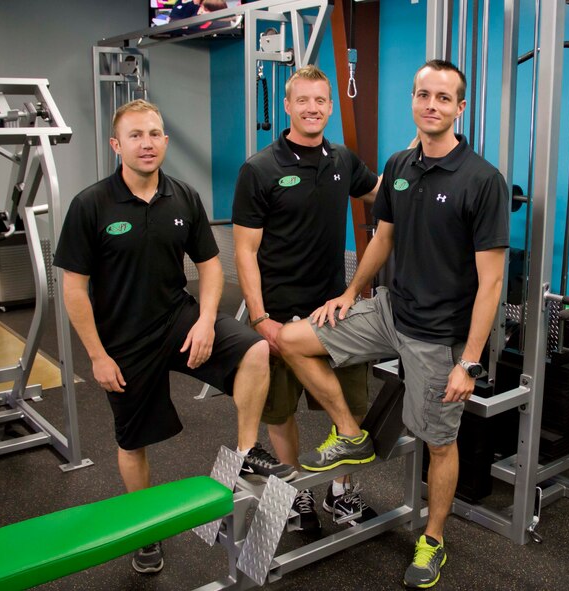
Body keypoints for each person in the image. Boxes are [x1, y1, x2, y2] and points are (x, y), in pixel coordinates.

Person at [277, 60, 509, 589]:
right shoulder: (400, 164)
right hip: (388, 308)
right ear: (413, 101)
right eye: (423, 95)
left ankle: (433, 540)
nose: (432, 105)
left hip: (437, 335)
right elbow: (382, 238)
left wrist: (469, 361)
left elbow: (491, 283)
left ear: (460, 108)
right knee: (288, 338)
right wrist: (350, 291)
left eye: (444, 98)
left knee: (439, 443)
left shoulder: (482, 180)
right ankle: (353, 435)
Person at [53, 99, 294, 576]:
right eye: (136, 135)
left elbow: (208, 266)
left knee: (255, 349)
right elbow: (74, 290)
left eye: (155, 134)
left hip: (177, 319)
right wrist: (97, 356)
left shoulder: (183, 195)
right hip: (123, 339)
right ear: (116, 144)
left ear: (165, 141)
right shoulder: (91, 204)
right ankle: (145, 531)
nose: (147, 143)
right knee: (132, 441)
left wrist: (206, 321)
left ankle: (245, 454)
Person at [233, 65, 381, 533]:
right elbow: (245, 251)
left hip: (335, 310)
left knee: (353, 408)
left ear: (330, 106)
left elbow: (383, 193)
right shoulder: (260, 169)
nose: (312, 108)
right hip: (279, 312)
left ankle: (341, 493)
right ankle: (295, 492)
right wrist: (259, 318)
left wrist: (426, 179)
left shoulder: (342, 161)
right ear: (287, 105)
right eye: (303, 100)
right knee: (281, 413)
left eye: (321, 101)